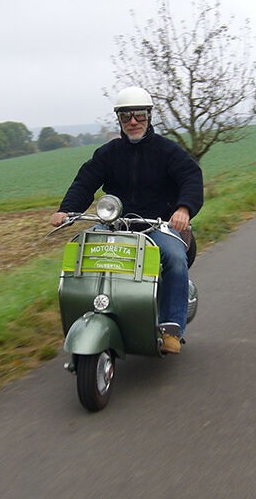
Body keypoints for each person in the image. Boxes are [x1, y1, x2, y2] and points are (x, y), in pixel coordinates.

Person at [51, 86, 203, 355]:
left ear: (149, 116)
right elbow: (85, 182)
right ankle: (92, 311)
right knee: (81, 249)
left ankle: (171, 329)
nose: (133, 121)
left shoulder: (167, 151)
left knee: (174, 258)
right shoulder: (108, 153)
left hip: (157, 225)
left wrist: (183, 209)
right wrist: (67, 210)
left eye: (139, 115)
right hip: (115, 225)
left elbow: (190, 177)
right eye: (126, 116)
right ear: (119, 119)